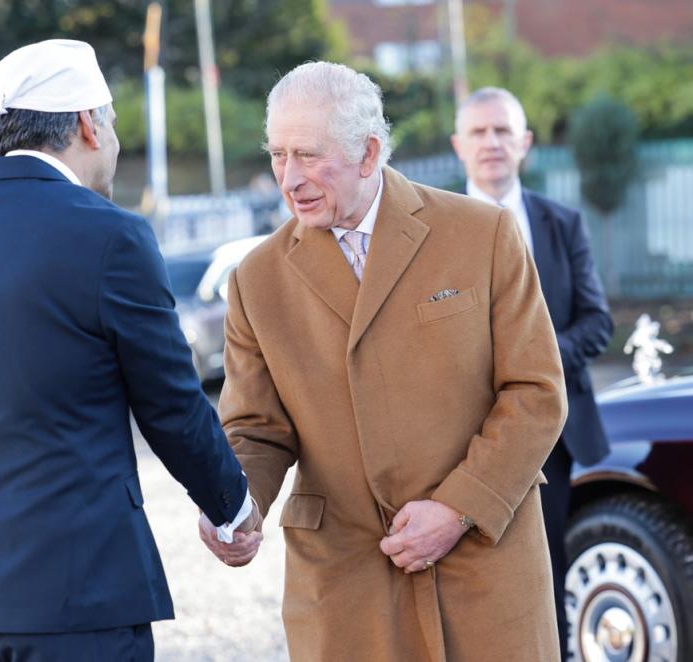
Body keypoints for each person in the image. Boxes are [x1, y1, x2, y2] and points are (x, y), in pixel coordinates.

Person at [0, 40, 260, 662]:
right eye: (111, 122)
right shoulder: (110, 234)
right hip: (76, 590)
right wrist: (232, 506)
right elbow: (170, 402)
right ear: (89, 124)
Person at [198, 61, 568, 661]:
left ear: (368, 154)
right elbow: (256, 432)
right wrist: (236, 507)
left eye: (308, 156)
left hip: (482, 566)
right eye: (277, 155)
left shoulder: (483, 234)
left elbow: (536, 392)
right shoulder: (255, 280)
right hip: (347, 582)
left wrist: (457, 508)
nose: (288, 179)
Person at [451, 86, 613, 656]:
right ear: (458, 146)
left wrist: (532, 365)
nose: (491, 142)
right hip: (459, 439)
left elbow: (596, 322)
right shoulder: (436, 229)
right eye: (478, 131)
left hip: (552, 439)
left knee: (549, 576)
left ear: (525, 143)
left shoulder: (562, 223)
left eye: (502, 131)